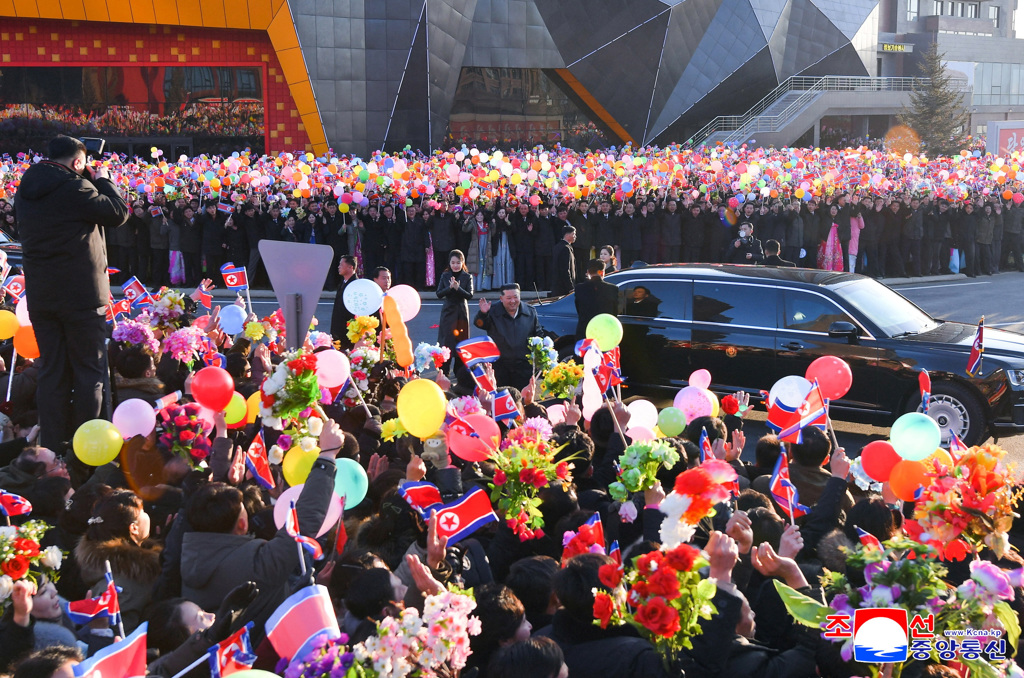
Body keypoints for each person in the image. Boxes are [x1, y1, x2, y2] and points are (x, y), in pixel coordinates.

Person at [14, 135, 130, 453]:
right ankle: (90, 450)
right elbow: (118, 212)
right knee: (90, 371)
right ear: (78, 162)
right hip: (81, 297)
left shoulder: (25, 190)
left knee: (52, 371)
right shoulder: (75, 187)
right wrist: (103, 181)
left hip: (42, 296)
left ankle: (52, 447)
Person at [474, 284, 542, 390]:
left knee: (522, 401)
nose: (513, 301)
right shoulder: (493, 311)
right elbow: (479, 324)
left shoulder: (530, 311)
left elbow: (538, 334)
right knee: (502, 400)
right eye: (509, 298)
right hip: (501, 367)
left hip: (523, 367)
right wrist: (483, 313)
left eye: (516, 297)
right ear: (501, 298)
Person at [436, 250, 474, 375]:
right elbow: (439, 294)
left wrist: (458, 288)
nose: (455, 265)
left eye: (458, 262)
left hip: (462, 312)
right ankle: (444, 372)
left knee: (460, 343)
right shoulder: (445, 275)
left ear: (462, 263)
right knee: (446, 342)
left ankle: (460, 374)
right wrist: (450, 288)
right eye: (453, 262)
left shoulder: (467, 276)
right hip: (448, 312)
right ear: (450, 263)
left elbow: (469, 295)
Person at [574, 259, 618, 339]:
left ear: (588, 272)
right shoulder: (613, 289)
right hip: (605, 332)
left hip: (585, 331)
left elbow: (579, 310)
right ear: (602, 272)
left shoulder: (579, 288)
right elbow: (615, 312)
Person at [330, 255, 359, 347]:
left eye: (341, 265)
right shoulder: (343, 282)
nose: (339, 267)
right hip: (338, 328)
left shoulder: (355, 284)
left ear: (350, 267)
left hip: (347, 330)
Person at [550, 225, 577, 296]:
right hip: (563, 288)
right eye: (573, 234)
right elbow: (565, 269)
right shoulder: (565, 249)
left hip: (557, 285)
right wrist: (570, 287)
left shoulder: (557, 246)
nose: (575, 236)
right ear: (567, 235)